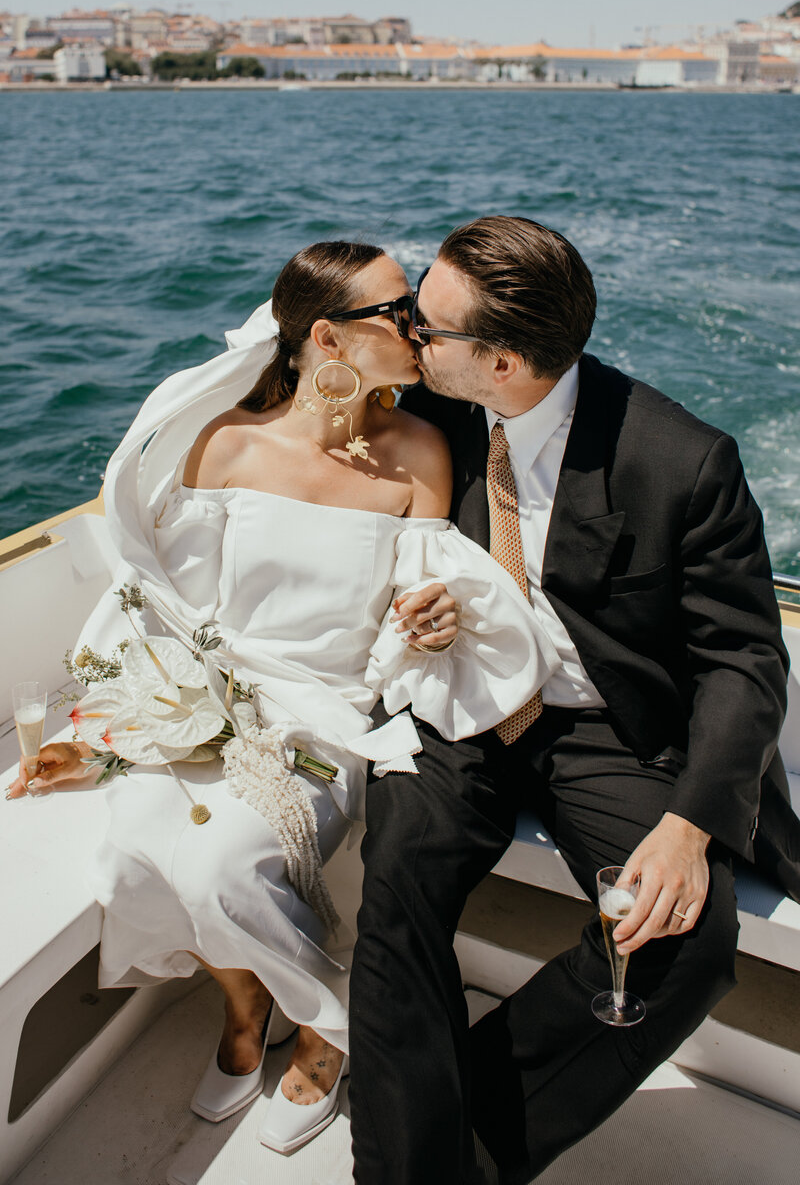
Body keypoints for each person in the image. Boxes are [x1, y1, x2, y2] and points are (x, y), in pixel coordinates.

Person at [8, 240, 559, 1156]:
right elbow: (171, 610)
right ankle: (246, 1004)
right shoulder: (225, 443)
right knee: (133, 855)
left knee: (222, 869)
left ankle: (329, 1028)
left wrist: (426, 624)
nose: (416, 324)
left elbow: (415, 605)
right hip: (209, 694)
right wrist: (111, 737)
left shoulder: (420, 451)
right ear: (327, 340)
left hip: (332, 711)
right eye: (395, 312)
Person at [348, 215, 800, 1184]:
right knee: (396, 867)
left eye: (428, 328)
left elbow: (744, 662)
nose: (408, 339)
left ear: (502, 362)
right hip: (463, 695)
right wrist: (422, 611)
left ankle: (448, 1148)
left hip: (610, 731)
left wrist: (687, 825)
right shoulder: (436, 416)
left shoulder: (682, 462)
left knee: (683, 940)